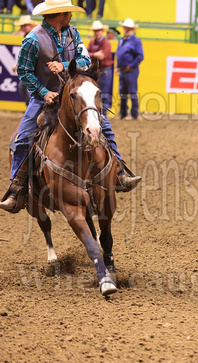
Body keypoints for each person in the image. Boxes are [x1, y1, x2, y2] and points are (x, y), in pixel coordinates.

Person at [0, 0, 141, 212]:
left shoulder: (72, 33)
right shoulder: (32, 40)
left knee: (105, 127)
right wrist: (44, 92)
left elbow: (85, 59)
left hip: (74, 96)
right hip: (44, 97)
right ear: (61, 14)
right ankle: (16, 188)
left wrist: (64, 65)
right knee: (23, 138)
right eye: (68, 13)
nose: (71, 17)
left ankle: (119, 172)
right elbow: (24, 71)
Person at [116, 18, 143, 120]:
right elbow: (119, 54)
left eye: (127, 28)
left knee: (132, 91)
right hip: (123, 70)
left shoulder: (136, 41)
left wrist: (131, 66)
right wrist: (118, 67)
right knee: (122, 92)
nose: (126, 29)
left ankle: (134, 114)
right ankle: (123, 113)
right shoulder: (122, 40)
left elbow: (140, 56)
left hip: (131, 70)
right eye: (125, 27)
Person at [87, 20, 112, 117]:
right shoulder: (93, 42)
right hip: (96, 71)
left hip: (104, 70)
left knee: (104, 93)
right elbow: (87, 54)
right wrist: (95, 54)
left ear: (102, 31)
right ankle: (97, 114)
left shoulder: (106, 43)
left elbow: (102, 56)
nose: (97, 32)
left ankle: (103, 115)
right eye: (95, 30)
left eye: (98, 30)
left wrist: (92, 55)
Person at [12, 15, 38, 105]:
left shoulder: (32, 37)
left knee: (25, 87)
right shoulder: (29, 36)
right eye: (22, 25)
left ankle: (30, 109)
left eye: (25, 25)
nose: (23, 27)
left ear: (30, 26)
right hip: (32, 67)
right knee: (24, 87)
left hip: (35, 67)